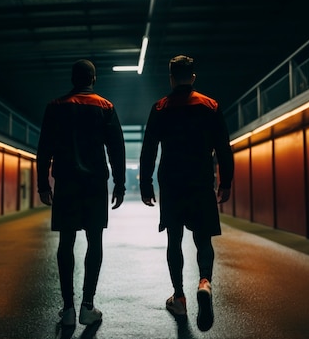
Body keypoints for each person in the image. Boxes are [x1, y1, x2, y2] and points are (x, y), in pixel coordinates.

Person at [139, 55, 234, 332]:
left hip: (171, 182)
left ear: (171, 78)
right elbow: (224, 148)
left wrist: (146, 185)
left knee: (174, 239)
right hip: (201, 180)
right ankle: (204, 281)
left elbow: (149, 150)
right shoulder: (210, 105)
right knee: (203, 238)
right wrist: (225, 182)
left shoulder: (160, 108)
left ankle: (178, 296)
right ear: (192, 77)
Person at [36, 59, 126, 327]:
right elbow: (117, 149)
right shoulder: (105, 107)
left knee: (66, 242)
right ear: (93, 79)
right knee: (94, 240)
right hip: (95, 185)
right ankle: (88, 305)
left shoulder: (55, 107)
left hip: (66, 183)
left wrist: (43, 184)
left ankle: (68, 310)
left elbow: (44, 149)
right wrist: (120, 184)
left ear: (73, 79)